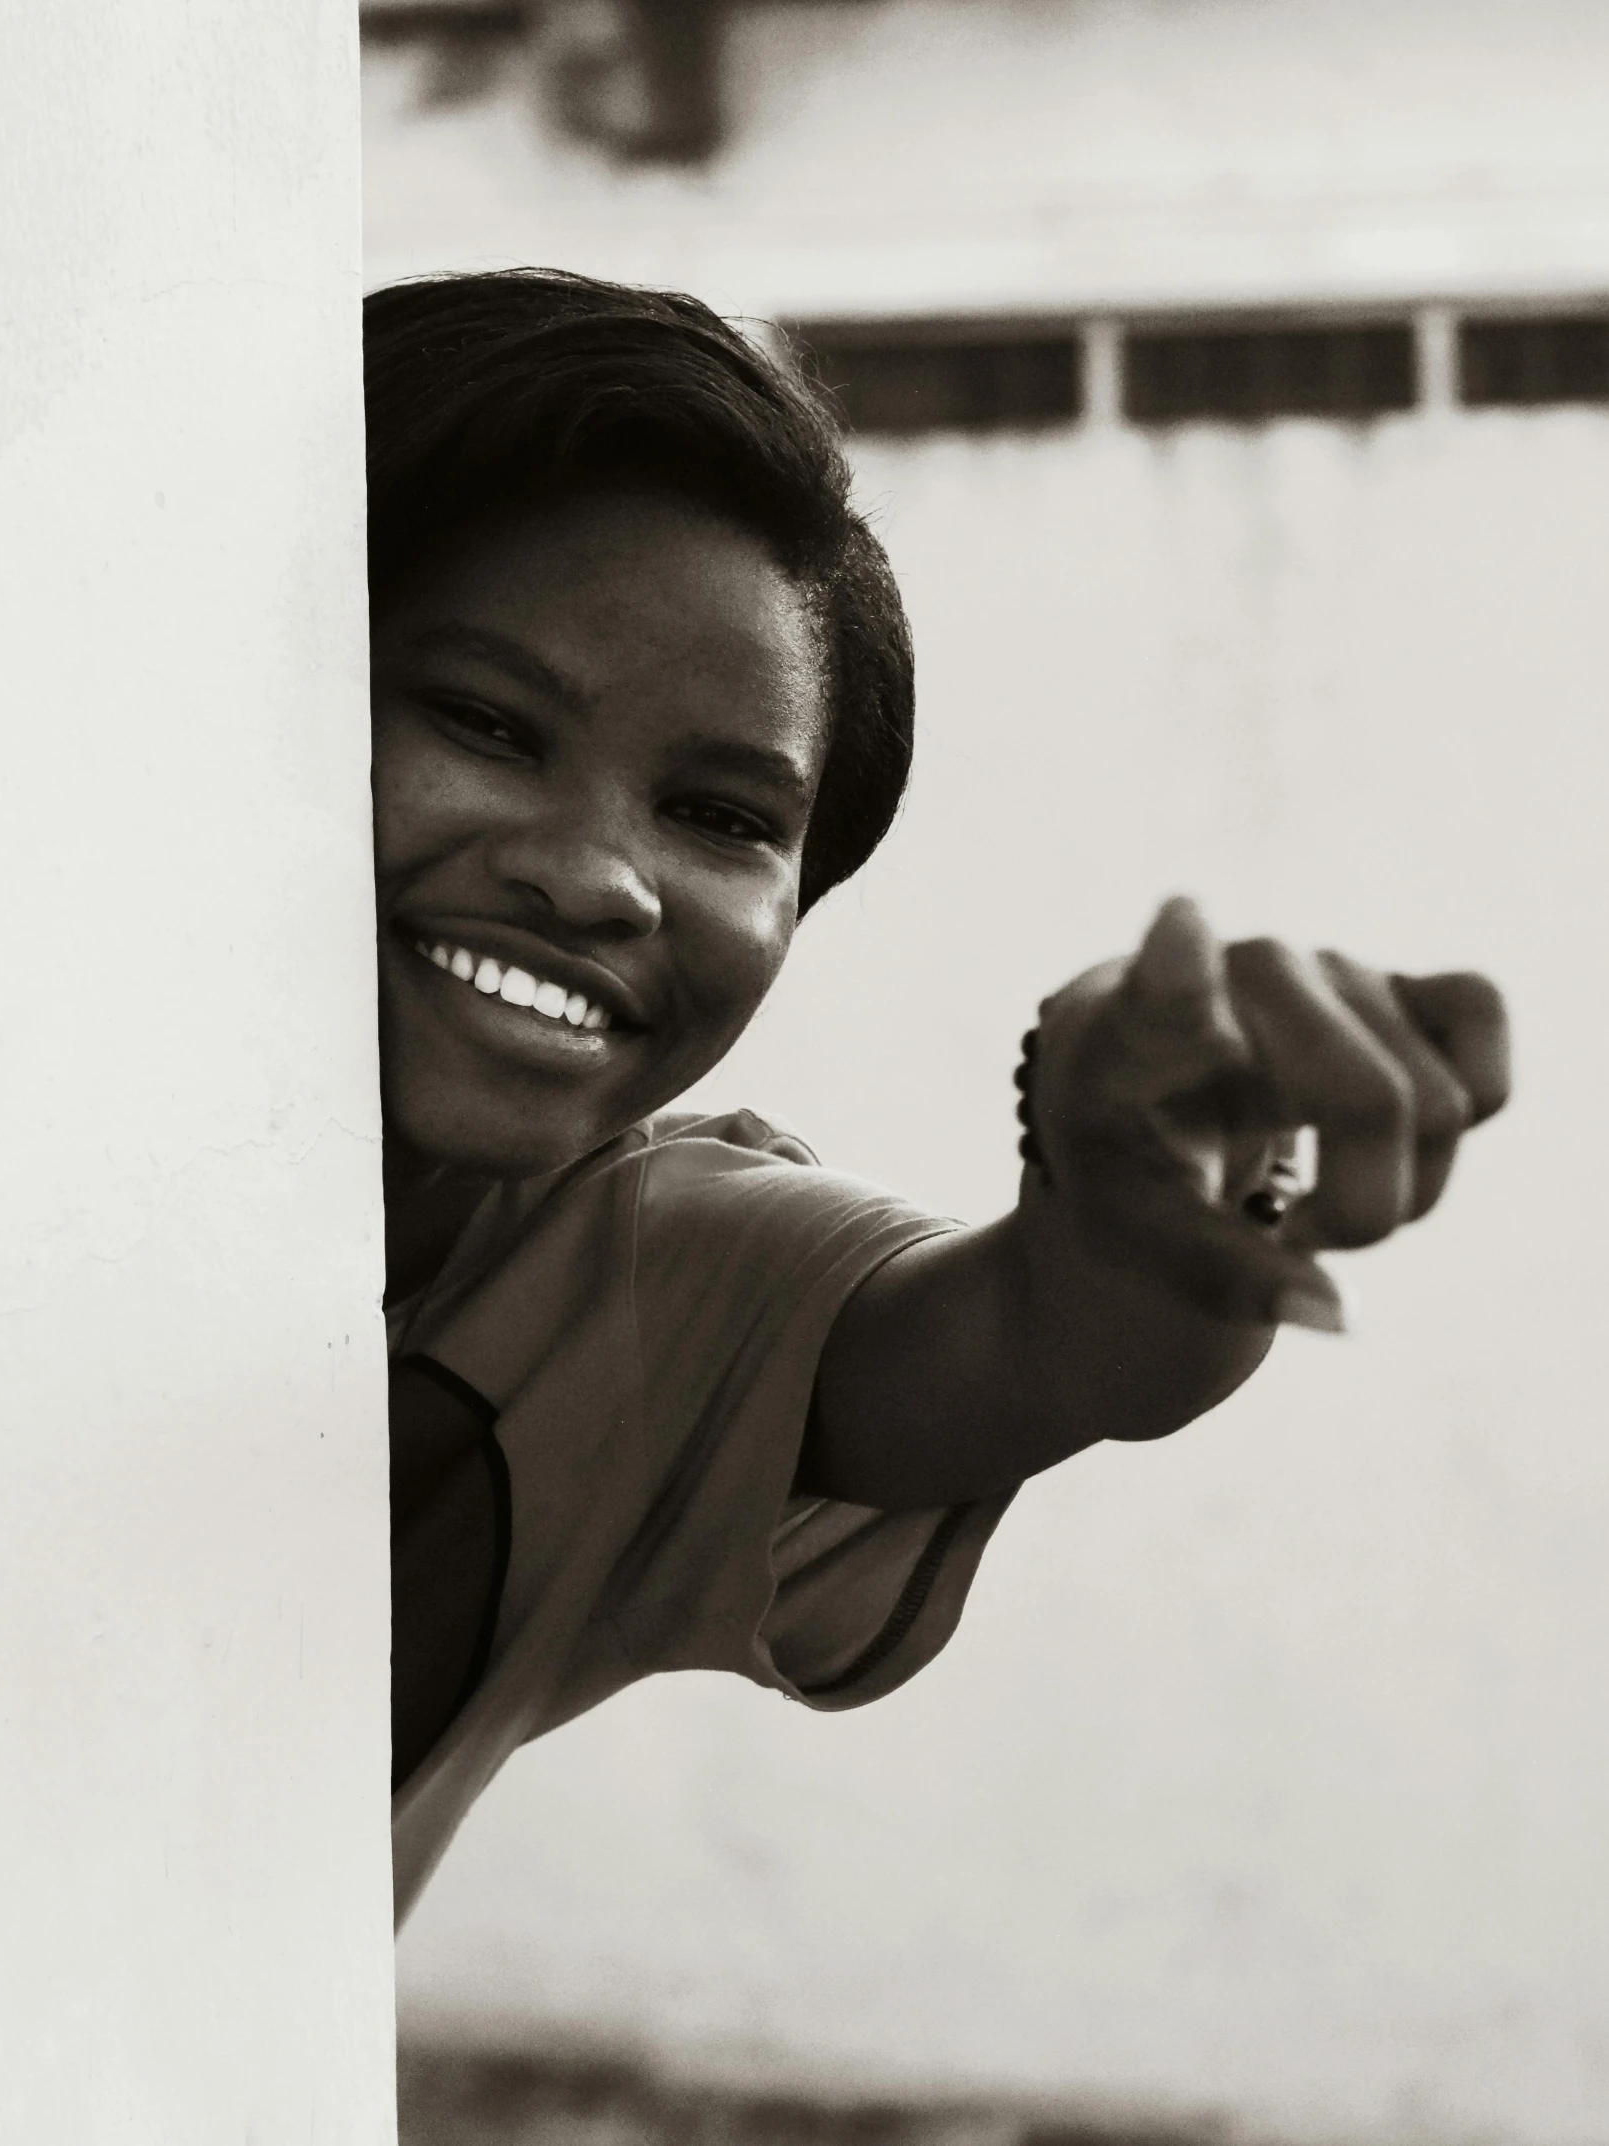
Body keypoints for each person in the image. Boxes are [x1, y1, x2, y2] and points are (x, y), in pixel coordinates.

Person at [371, 269, 1510, 1924]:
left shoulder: (628, 1289)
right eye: (483, 718)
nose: (600, 878)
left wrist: (1158, 1189)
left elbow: (1042, 1336)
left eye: (721, 814)